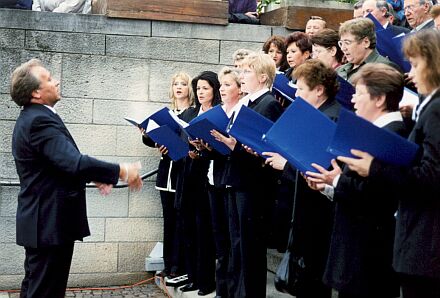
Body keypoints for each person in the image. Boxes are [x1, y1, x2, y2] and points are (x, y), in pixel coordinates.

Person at [10, 59, 142, 298]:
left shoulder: (34, 117)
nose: (57, 81)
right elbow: (74, 162)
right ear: (36, 93)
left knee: (36, 289)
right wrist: (122, 170)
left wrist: (93, 177)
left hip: (45, 222)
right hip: (48, 222)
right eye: (49, 79)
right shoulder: (39, 121)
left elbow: (58, 164)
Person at [335, 30, 440, 298]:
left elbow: (430, 176)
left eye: (416, 65)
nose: (411, 75)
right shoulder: (428, 107)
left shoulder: (436, 108)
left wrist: (374, 168)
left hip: (425, 244)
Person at [306, 63, 408, 298]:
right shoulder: (379, 131)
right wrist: (328, 185)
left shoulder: (391, 135)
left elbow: (377, 197)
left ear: (379, 98)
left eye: (359, 94)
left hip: (367, 255)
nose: (353, 100)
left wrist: (337, 182)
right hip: (356, 253)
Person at [264, 59, 341, 298]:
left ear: (319, 90)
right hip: (306, 212)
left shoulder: (331, 117)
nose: (295, 94)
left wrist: (286, 164)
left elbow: (319, 167)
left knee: (313, 283)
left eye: (301, 89)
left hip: (319, 215)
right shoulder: (317, 113)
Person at [141, 72, 194, 279]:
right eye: (175, 84)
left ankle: (178, 265)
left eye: (183, 84)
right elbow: (156, 141)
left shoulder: (191, 113)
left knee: (181, 220)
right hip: (167, 174)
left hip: (182, 172)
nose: (178, 87)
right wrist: (147, 134)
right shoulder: (169, 113)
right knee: (168, 221)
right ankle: (169, 262)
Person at [176, 71, 221, 296]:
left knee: (204, 230)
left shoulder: (219, 113)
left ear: (215, 89)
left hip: (207, 176)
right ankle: (192, 277)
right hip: (188, 174)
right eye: (199, 88)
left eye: (205, 88)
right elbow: (180, 138)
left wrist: (201, 154)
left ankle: (206, 281)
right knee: (188, 227)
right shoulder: (190, 112)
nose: (201, 92)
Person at [337, 18, 400, 82]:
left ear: (366, 42)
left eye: (347, 43)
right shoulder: (339, 70)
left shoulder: (384, 68)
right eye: (341, 43)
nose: (343, 48)